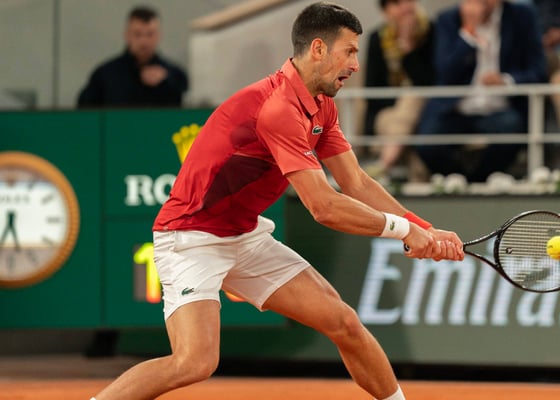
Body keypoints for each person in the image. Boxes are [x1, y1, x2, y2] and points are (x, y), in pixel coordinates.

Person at [90, 3, 464, 400]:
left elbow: (355, 182)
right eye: (350, 51)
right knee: (194, 362)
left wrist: (424, 229)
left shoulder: (322, 105)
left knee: (344, 322)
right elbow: (324, 207)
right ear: (318, 49)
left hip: (244, 235)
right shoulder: (278, 109)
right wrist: (403, 231)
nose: (356, 64)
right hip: (191, 237)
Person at [415, 0, 547, 182]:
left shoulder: (522, 15)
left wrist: (506, 80)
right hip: (455, 109)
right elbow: (445, 73)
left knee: (512, 129)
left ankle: (480, 180)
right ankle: (458, 182)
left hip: (500, 109)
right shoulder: (448, 19)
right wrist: (468, 33)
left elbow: (538, 71)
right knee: (426, 143)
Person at [363, 0, 434, 180]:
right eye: (396, 3)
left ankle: (384, 164)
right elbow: (371, 92)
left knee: (414, 96)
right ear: (385, 11)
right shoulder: (377, 39)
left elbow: (429, 81)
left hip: (425, 111)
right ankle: (419, 185)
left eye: (408, 1)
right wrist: (401, 103)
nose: (405, 8)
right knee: (411, 129)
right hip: (388, 114)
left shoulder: (431, 32)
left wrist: (408, 46)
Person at [77, 5, 188, 108]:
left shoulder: (174, 75)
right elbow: (85, 110)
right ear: (127, 35)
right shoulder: (105, 75)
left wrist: (166, 82)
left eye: (150, 34)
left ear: (159, 36)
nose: (144, 41)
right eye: (137, 34)